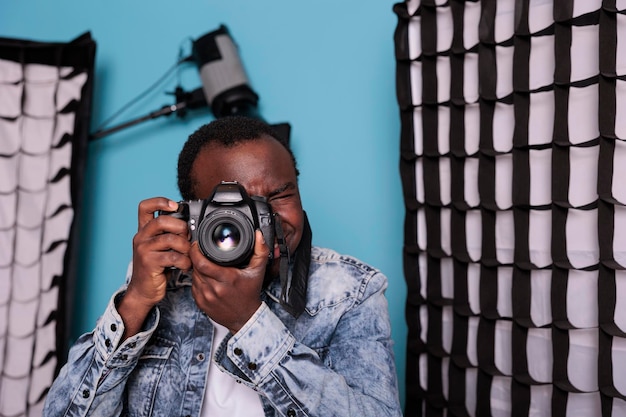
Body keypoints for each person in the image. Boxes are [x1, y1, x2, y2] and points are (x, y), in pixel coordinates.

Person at [43, 116, 402, 417]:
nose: (266, 222)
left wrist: (249, 324)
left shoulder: (350, 292)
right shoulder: (160, 282)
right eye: (240, 208)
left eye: (280, 195)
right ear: (192, 215)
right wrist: (134, 303)